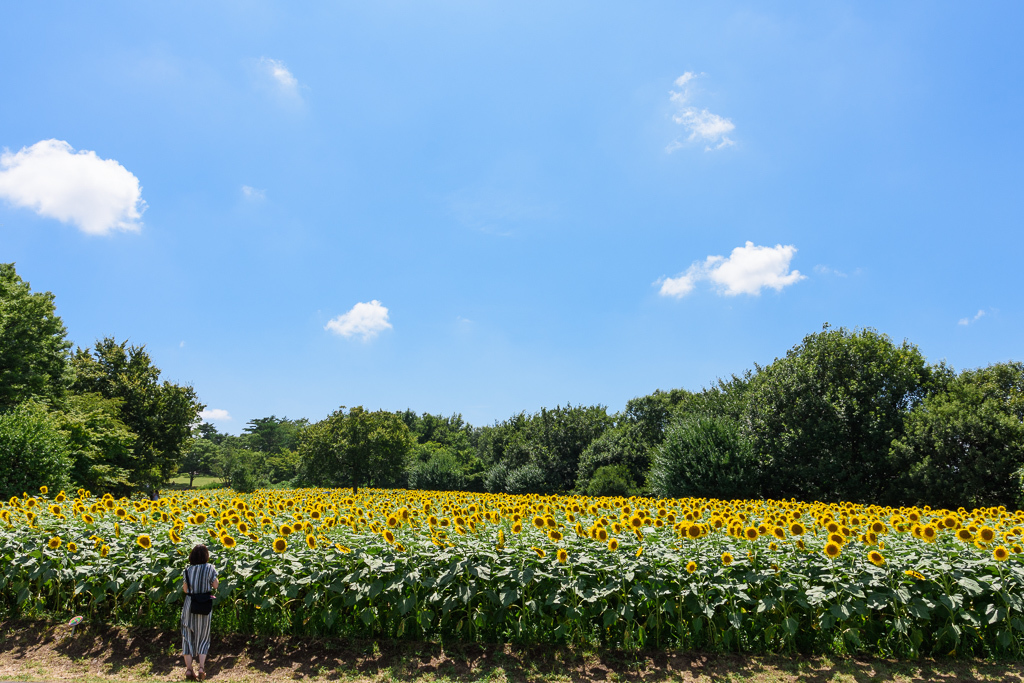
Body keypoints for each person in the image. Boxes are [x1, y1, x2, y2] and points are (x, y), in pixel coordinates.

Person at [181, 544, 219, 681]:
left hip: (189, 604)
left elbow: (185, 589)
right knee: (203, 636)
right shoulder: (210, 568)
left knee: (187, 636)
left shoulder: (187, 569)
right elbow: (215, 585)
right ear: (206, 556)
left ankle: (189, 670)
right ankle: (201, 667)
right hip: (204, 604)